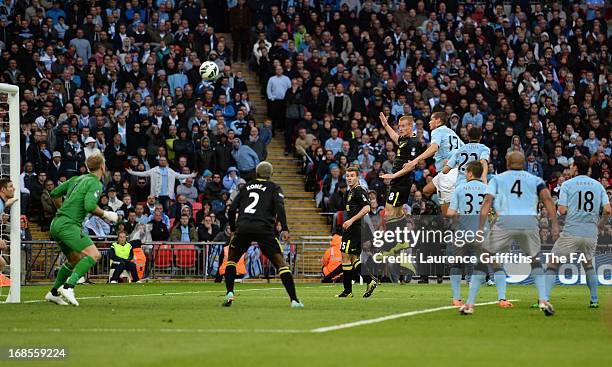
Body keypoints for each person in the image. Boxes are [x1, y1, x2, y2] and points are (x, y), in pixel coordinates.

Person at [460, 152, 559, 315]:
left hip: (506, 221)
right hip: (528, 222)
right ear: (524, 164)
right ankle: (543, 300)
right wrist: (554, 223)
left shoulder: (498, 179)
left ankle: (470, 304)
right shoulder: (535, 180)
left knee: (485, 258)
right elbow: (547, 199)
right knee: (534, 260)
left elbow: (487, 201)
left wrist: (480, 228)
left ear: (507, 163)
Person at [224, 162, 303, 308]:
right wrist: (285, 228)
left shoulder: (246, 187)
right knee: (281, 264)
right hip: (263, 228)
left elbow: (231, 209)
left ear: (256, 173)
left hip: (244, 227)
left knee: (232, 260)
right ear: (270, 174)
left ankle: (229, 292)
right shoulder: (274, 187)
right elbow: (280, 207)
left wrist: (234, 228)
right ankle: (294, 300)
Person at [46, 153, 120, 306]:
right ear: (102, 167)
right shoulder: (95, 184)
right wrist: (107, 214)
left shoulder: (77, 178)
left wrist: (62, 210)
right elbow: (90, 206)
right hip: (68, 225)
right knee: (94, 255)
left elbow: (54, 193)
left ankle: (53, 293)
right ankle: (68, 286)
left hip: (56, 224)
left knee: (74, 259)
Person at [544, 156, 611, 314]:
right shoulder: (598, 185)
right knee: (588, 264)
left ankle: (544, 299)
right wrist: (601, 224)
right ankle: (594, 300)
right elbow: (608, 210)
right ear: (588, 168)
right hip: (590, 232)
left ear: (575, 168)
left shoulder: (567, 184)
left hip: (572, 230)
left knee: (552, 263)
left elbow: (562, 210)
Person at [403, 112, 464, 215]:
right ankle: (436, 213)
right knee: (426, 190)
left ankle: (454, 227)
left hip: (447, 173)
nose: (429, 122)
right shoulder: (451, 132)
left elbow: (433, 148)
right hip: (453, 172)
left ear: (438, 120)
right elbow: (465, 149)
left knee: (448, 214)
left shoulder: (437, 131)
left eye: (431, 119)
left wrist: (415, 161)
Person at [446, 161, 487, 307]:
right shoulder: (487, 188)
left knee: (457, 265)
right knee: (480, 265)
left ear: (469, 173)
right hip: (481, 234)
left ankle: (456, 298)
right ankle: (472, 298)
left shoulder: (460, 188)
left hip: (462, 233)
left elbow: (450, 213)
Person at [379, 113, 423, 244]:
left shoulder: (414, 142)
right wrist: (386, 126)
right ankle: (402, 240)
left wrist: (393, 175)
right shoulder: (404, 139)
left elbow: (410, 166)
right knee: (396, 213)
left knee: (389, 213)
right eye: (399, 126)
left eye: (403, 126)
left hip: (402, 181)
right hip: (398, 180)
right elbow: (395, 137)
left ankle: (396, 242)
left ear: (411, 126)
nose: (400, 129)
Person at [337, 166, 378, 298]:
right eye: (347, 176)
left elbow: (367, 208)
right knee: (354, 258)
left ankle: (348, 290)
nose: (349, 178)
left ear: (357, 178)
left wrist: (351, 220)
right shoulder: (349, 193)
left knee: (345, 256)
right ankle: (369, 280)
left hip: (354, 228)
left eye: (352, 176)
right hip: (354, 228)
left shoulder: (359, 191)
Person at [125, 156, 196, 211]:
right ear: (159, 161)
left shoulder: (170, 171)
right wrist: (131, 172)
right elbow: (143, 174)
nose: (162, 161)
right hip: (156, 195)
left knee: (167, 210)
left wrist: (191, 175)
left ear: (166, 162)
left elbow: (180, 176)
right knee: (156, 211)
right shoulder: (154, 170)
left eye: (164, 160)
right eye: (161, 160)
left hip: (167, 195)